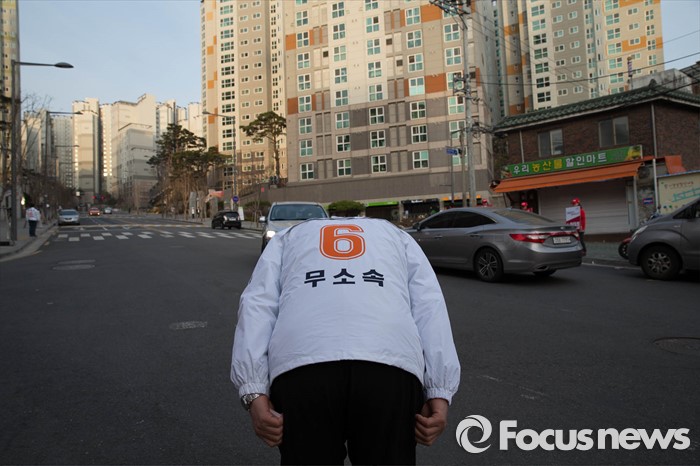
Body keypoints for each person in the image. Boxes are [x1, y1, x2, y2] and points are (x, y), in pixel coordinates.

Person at [231, 217, 460, 465]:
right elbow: (429, 307)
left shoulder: (288, 238)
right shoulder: (397, 236)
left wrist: (253, 392)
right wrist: (439, 392)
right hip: (389, 366)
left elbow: (257, 305)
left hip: (302, 366)